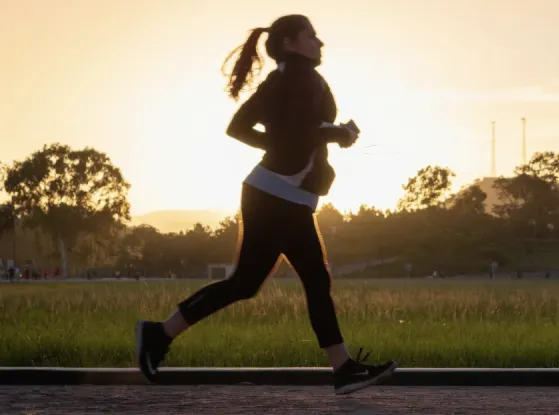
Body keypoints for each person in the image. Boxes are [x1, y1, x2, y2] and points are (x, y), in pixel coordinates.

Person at [135, 14, 397, 395]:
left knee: (254, 282)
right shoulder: (297, 78)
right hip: (277, 196)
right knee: (304, 280)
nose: (320, 43)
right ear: (290, 43)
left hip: (277, 193)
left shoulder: (284, 79)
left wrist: (284, 147)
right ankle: (343, 370)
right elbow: (298, 130)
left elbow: (242, 127)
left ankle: (159, 334)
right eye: (312, 36)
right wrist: (339, 133)